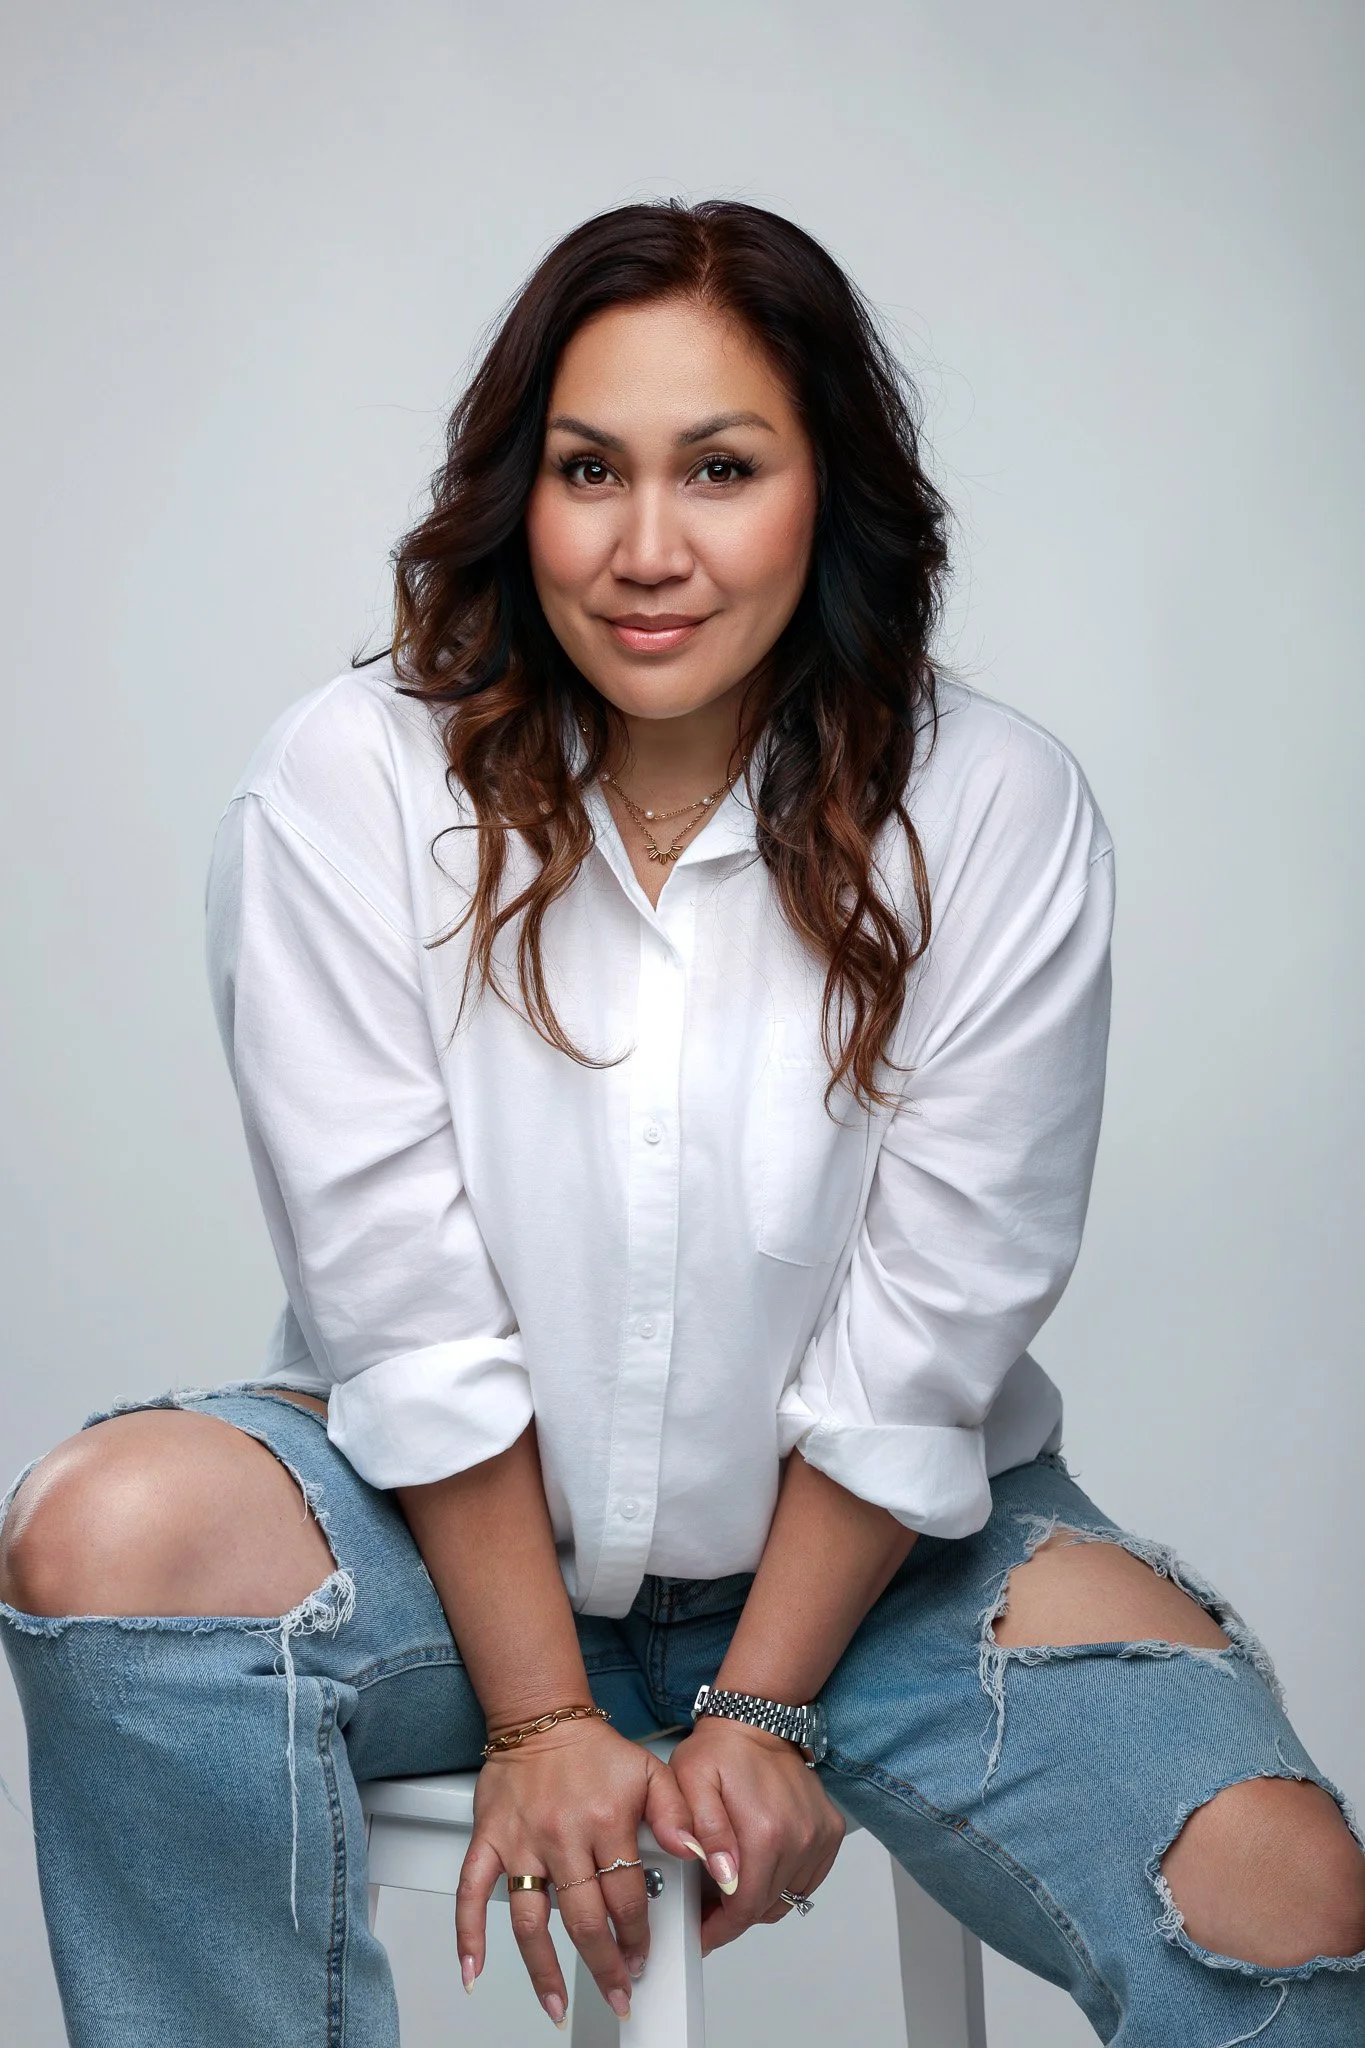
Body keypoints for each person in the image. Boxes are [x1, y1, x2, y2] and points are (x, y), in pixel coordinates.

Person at [2, 200, 1362, 2048]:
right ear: (521, 494)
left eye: (723, 468)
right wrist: (545, 1714)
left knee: (1284, 1888)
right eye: (591, 471)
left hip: (880, 1572)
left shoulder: (995, 809)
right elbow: (400, 1298)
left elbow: (930, 1331)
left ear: (830, 493)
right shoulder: (353, 779)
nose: (651, 549)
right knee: (106, 1534)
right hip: (444, 1540)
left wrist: (765, 1706)